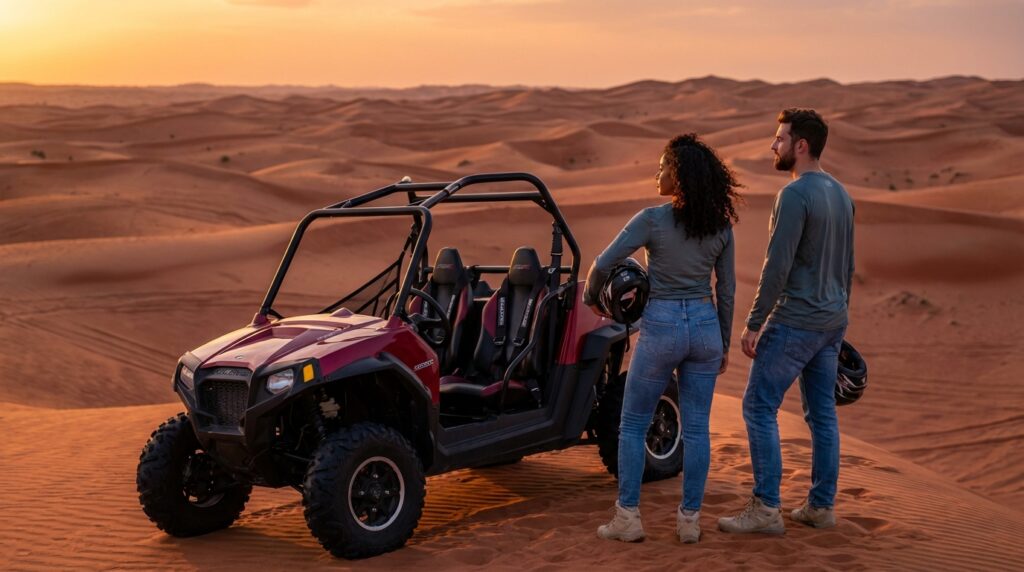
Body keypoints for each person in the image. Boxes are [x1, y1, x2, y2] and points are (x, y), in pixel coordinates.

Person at [585, 133, 740, 544]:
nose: (657, 175)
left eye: (662, 168)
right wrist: (723, 342)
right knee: (698, 429)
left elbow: (603, 264)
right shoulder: (720, 226)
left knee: (633, 424)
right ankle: (689, 521)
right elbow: (726, 290)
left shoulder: (651, 219)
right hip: (705, 327)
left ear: (679, 176)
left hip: (662, 326)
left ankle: (628, 517)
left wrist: (591, 300)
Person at [718, 108, 855, 535]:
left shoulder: (794, 195)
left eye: (780, 139)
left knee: (758, 406)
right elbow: (848, 266)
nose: (773, 146)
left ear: (801, 145)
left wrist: (754, 321)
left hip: (796, 321)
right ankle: (821, 507)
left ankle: (766, 508)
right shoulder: (842, 194)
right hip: (831, 321)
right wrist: (838, 315)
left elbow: (777, 265)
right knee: (822, 415)